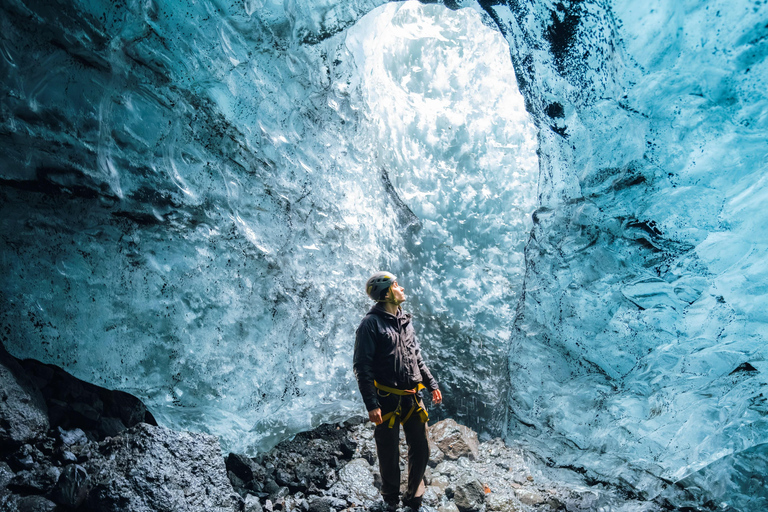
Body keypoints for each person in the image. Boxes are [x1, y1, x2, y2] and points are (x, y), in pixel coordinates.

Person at [353, 272, 443, 511]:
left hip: (413, 396)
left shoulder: (404, 319)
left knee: (421, 446)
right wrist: (371, 404)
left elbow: (416, 356)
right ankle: (390, 498)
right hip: (386, 399)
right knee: (388, 449)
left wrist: (431, 383)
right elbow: (362, 367)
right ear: (386, 292)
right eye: (396, 285)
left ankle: (413, 497)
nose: (401, 288)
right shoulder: (370, 324)